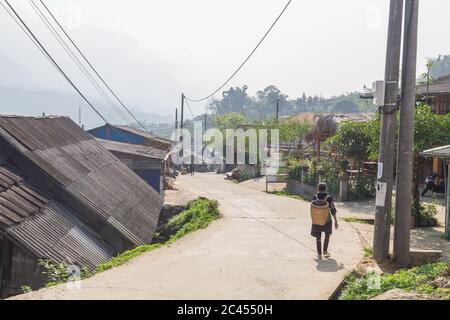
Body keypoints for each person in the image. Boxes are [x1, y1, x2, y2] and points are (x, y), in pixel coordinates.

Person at [311, 182, 338, 259]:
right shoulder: (329, 198)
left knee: (318, 237)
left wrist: (313, 218)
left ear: (318, 188)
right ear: (326, 189)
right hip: (327, 220)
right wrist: (336, 221)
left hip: (317, 219)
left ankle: (319, 254)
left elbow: (312, 209)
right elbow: (333, 209)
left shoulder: (314, 197)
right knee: (327, 234)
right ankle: (325, 251)